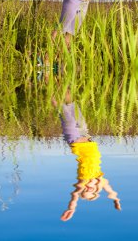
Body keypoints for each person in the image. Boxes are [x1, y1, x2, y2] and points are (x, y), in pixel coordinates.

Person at [52, 89, 121, 221]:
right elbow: (111, 192)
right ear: (96, 190)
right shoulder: (100, 179)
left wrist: (71, 208)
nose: (88, 189)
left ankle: (47, 82)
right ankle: (61, 81)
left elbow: (74, 195)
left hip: (74, 138)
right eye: (91, 191)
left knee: (62, 110)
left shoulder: (82, 181)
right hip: (86, 135)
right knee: (72, 105)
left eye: (86, 191)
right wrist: (116, 201)